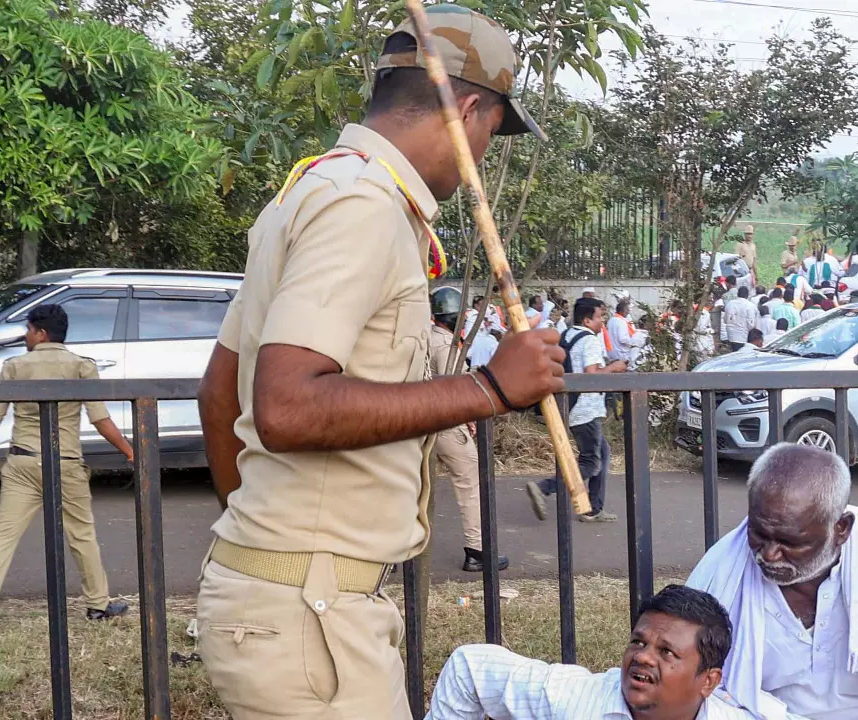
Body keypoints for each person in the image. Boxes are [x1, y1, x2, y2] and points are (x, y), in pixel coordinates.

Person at [194, 7, 564, 718]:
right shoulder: (362, 205)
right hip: (309, 612)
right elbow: (286, 406)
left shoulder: (313, 191)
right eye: (492, 131)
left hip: (300, 598)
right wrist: (489, 387)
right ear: (467, 109)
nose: (486, 152)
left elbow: (219, 391)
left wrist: (266, 548)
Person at [688, 443, 858, 720]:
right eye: (759, 534)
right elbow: (699, 688)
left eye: (790, 542)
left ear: (841, 529)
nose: (769, 554)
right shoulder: (719, 573)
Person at [0, 304, 135, 636]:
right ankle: (98, 606)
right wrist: (130, 450)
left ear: (41, 333)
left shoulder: (14, 367)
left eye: (28, 330)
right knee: (82, 535)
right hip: (66, 463)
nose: (26, 337)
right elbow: (101, 420)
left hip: (22, 462)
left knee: (2, 537)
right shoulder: (82, 367)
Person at [426, 584, 804, 720]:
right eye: (638, 642)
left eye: (667, 652)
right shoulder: (571, 700)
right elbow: (470, 667)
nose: (642, 657)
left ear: (709, 681)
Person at [427, 287, 510, 573]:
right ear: (449, 315)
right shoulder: (446, 347)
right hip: (447, 427)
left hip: (421, 425)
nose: (464, 318)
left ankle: (395, 554)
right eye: (461, 314)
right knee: (470, 484)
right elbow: (453, 392)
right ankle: (477, 549)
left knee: (412, 488)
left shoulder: (428, 338)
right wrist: (466, 419)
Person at [526, 297, 626, 523]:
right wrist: (614, 368)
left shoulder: (568, 335)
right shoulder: (590, 340)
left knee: (603, 453)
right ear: (588, 319)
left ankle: (594, 508)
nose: (602, 321)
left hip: (570, 406)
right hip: (585, 409)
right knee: (592, 462)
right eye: (600, 317)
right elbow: (590, 375)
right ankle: (544, 488)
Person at [721, 286, 760, 352]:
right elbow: (752, 324)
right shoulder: (751, 306)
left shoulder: (730, 303)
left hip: (731, 335)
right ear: (747, 295)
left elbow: (725, 320)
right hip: (744, 336)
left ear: (738, 294)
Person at [607, 297, 637, 363]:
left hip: (611, 353)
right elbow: (623, 339)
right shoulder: (621, 321)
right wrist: (634, 343)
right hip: (621, 354)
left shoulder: (611, 320)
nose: (628, 311)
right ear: (621, 311)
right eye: (627, 309)